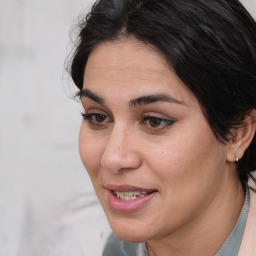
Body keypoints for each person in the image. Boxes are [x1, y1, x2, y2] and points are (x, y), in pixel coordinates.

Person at [68, 0, 256, 255]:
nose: (112, 158)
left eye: (155, 121)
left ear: (238, 133)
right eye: (98, 117)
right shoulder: (119, 250)